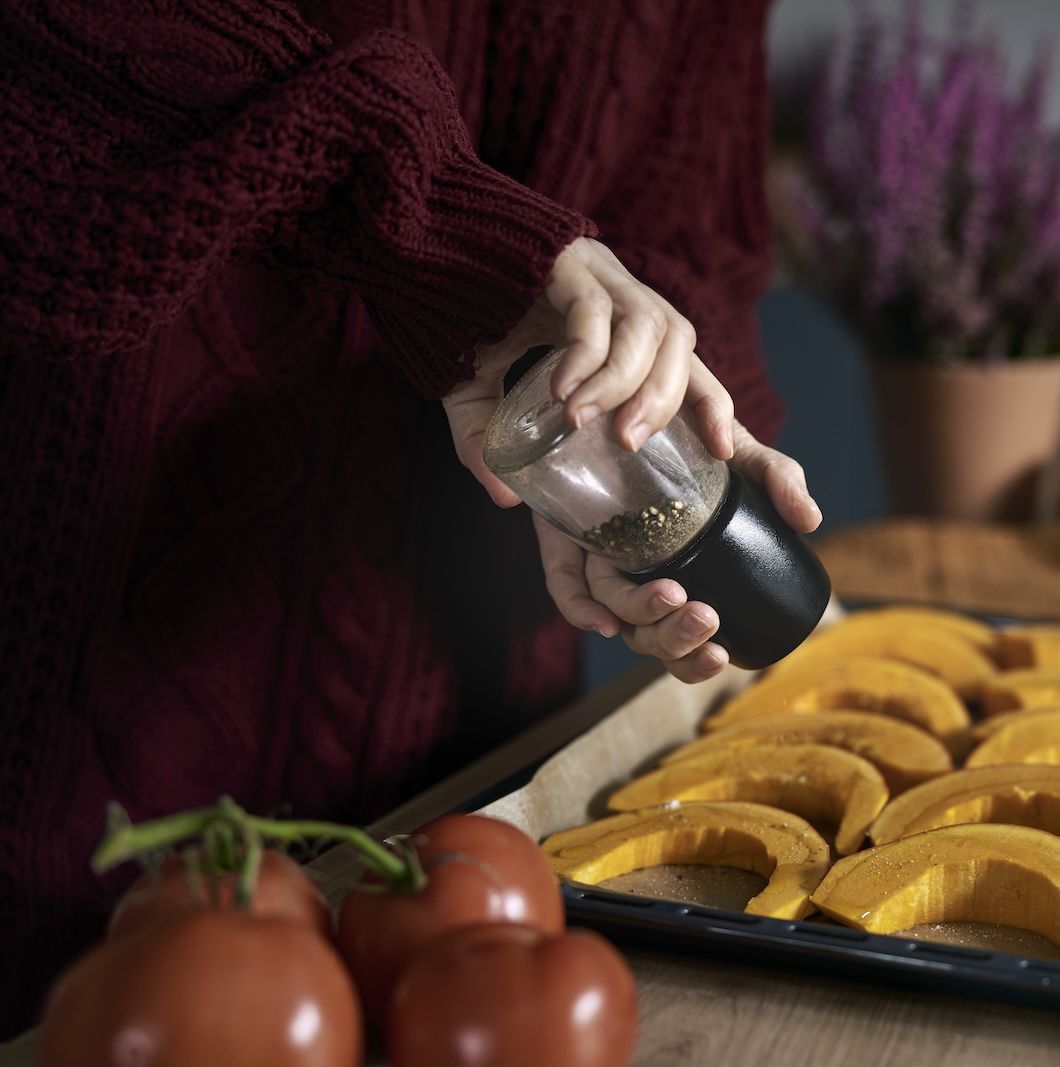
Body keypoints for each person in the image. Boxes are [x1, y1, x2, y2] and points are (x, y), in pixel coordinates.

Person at [0, 0, 817, 1035]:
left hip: (472, 764)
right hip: (70, 662)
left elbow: (679, 188)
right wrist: (437, 226)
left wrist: (663, 444)